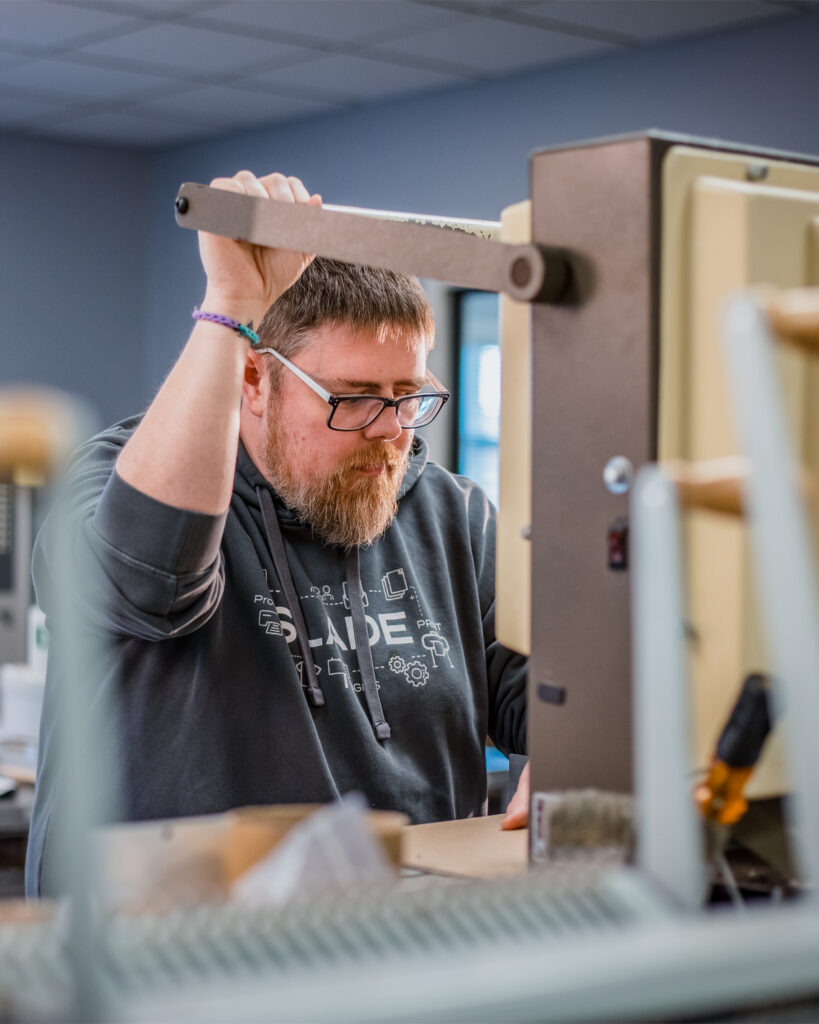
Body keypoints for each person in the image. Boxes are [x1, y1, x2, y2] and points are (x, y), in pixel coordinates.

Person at [25, 171, 529, 898]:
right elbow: (148, 584)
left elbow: (547, 695)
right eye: (354, 399)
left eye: (407, 396)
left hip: (405, 944)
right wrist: (232, 303)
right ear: (254, 379)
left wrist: (568, 759)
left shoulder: (453, 515)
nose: (391, 431)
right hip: (168, 959)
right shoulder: (117, 478)